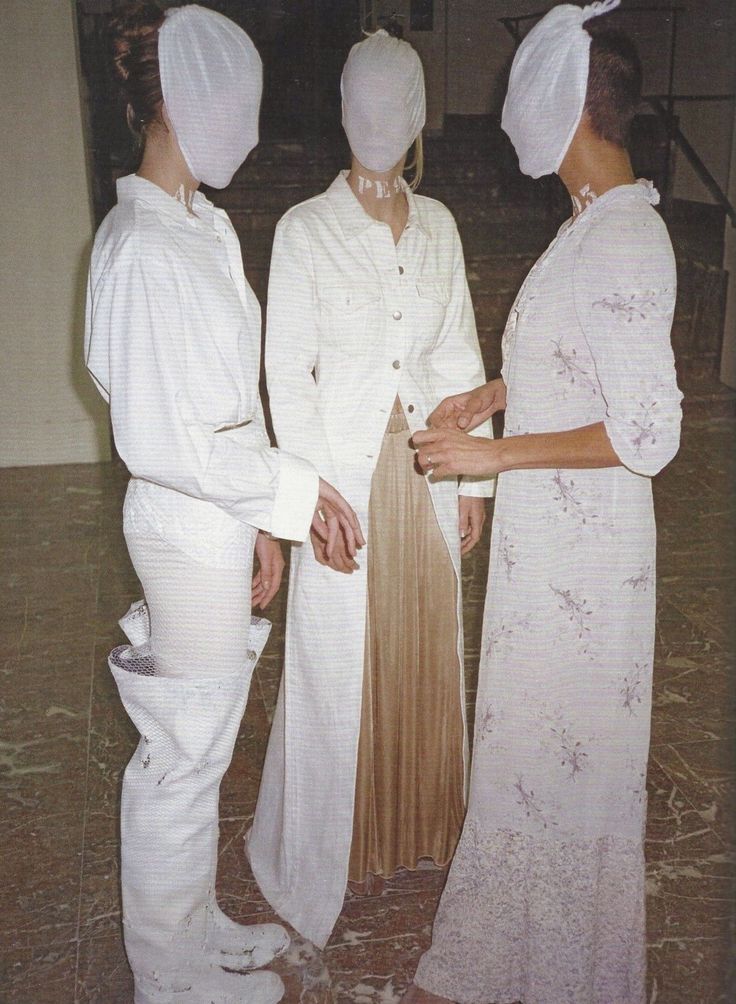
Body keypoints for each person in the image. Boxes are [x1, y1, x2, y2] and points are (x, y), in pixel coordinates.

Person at [404, 2, 683, 1001]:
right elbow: (571, 363)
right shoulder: (589, 228)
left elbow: (648, 434)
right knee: (527, 750)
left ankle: (568, 969)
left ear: (569, 111)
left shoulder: (623, 243)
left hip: (586, 559)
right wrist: (489, 392)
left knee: (565, 766)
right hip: (547, 549)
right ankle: (509, 945)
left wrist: (493, 450)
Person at [84, 5, 362, 1002]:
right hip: (177, 516)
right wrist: (292, 491)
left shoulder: (201, 224)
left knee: (199, 744)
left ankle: (190, 923)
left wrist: (256, 520)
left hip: (215, 516)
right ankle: (169, 975)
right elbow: (162, 439)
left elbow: (228, 405)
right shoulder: (142, 245)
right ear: (174, 105)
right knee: (180, 755)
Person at [247, 26, 495, 950]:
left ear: (420, 116)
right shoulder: (305, 229)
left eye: (400, 106)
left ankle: (419, 830)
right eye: (368, 103)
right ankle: (326, 849)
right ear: (345, 111)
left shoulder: (440, 227)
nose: (383, 122)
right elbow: (288, 372)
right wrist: (310, 492)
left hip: (428, 471)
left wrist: (479, 478)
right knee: (338, 666)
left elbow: (461, 350)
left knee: (423, 648)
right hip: (346, 479)